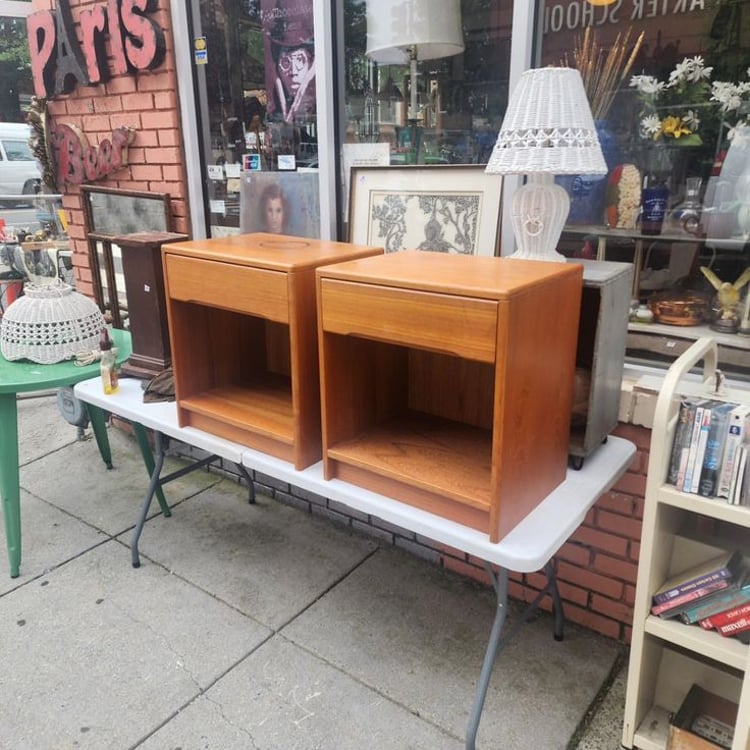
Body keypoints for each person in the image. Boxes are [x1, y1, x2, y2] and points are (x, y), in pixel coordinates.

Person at [266, 16, 316, 123]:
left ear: (311, 63)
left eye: (300, 60)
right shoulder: (275, 114)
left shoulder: (326, 105)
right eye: (285, 62)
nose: (293, 71)